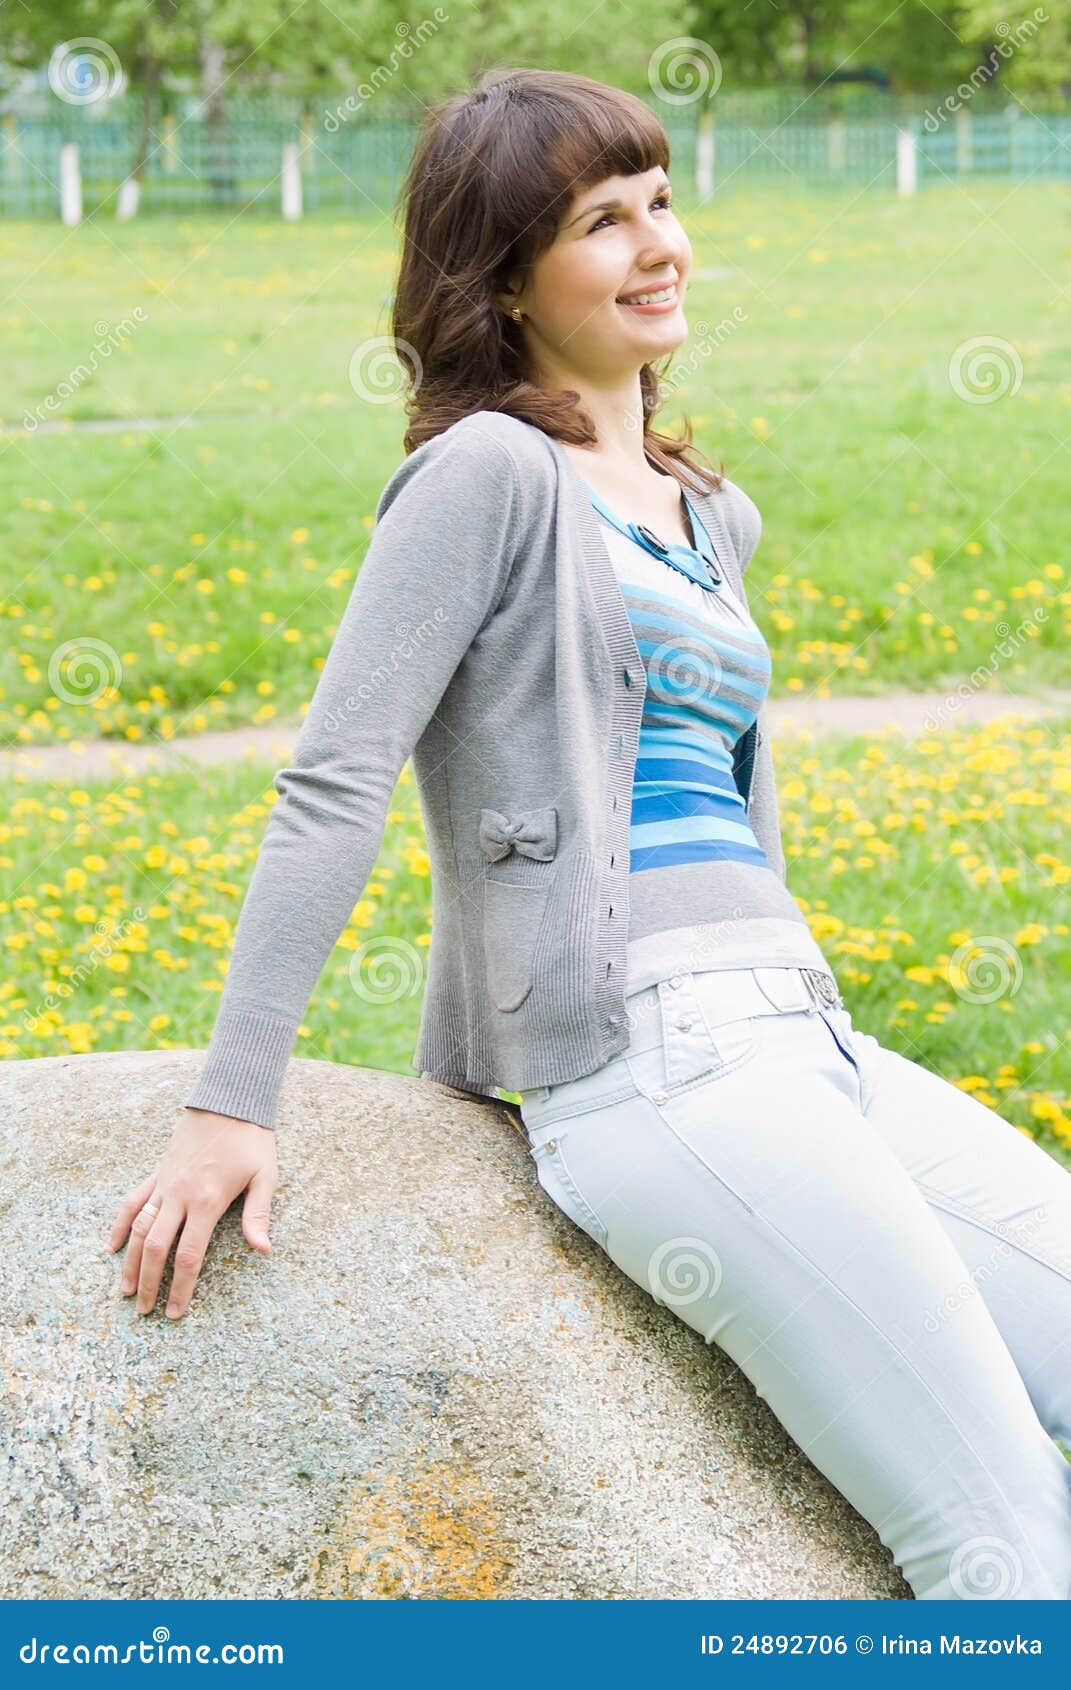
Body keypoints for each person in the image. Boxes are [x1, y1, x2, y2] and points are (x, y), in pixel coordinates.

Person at [107, 67, 1071, 1600]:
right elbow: (335, 776)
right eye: (601, 221)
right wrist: (235, 1097)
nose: (658, 243)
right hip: (653, 1060)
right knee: (1009, 1543)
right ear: (501, 282)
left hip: (810, 1038)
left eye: (663, 201)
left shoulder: (708, 510)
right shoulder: (483, 475)